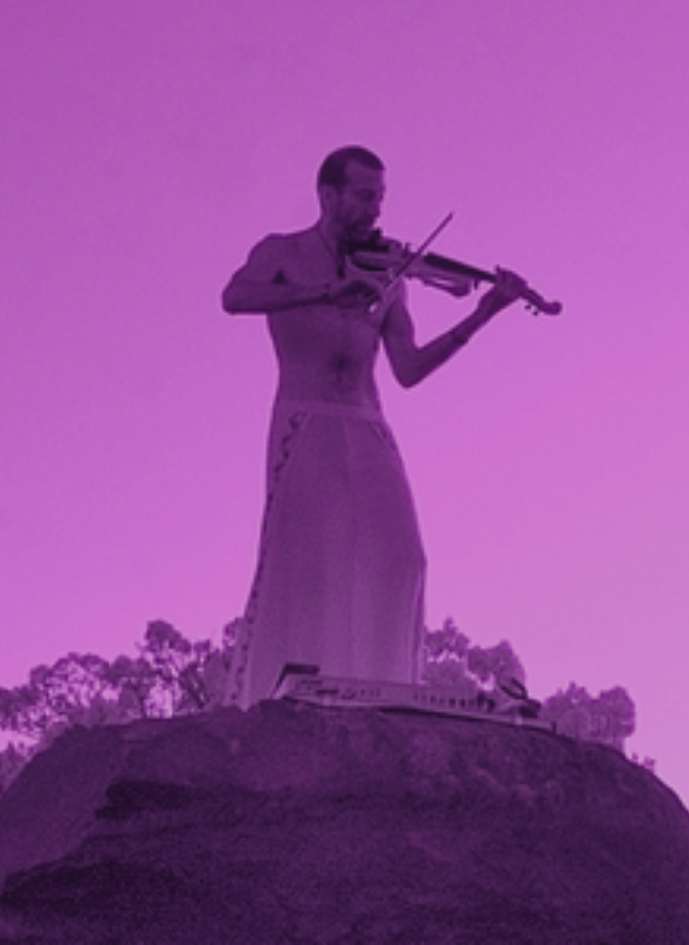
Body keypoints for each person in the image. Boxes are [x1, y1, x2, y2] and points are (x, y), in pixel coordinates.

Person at [220, 146, 529, 707]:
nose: (375, 210)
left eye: (380, 198)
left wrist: (483, 315)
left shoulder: (389, 276)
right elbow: (235, 296)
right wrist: (324, 292)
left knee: (403, 558)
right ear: (328, 195)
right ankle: (293, 695)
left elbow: (408, 369)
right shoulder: (283, 252)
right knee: (308, 560)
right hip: (305, 417)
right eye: (364, 196)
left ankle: (388, 694)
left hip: (368, 423)